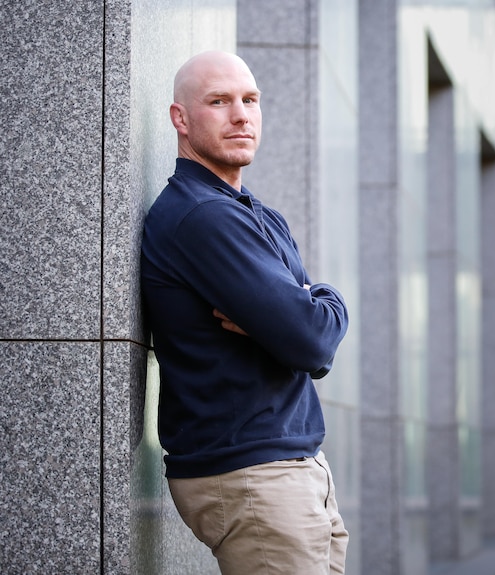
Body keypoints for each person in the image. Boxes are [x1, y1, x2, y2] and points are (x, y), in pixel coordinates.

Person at [140, 50, 350, 574]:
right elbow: (311, 340)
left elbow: (306, 322)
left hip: (293, 469)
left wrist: (314, 300)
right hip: (255, 474)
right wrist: (314, 304)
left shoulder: (255, 213)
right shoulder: (203, 216)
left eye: (250, 100)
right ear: (180, 119)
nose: (241, 115)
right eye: (219, 102)